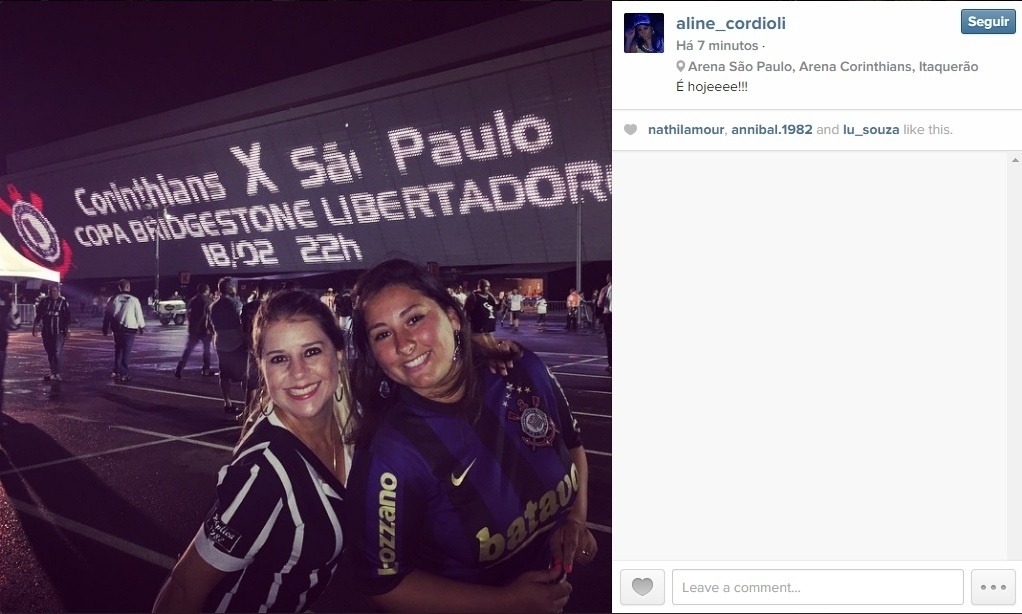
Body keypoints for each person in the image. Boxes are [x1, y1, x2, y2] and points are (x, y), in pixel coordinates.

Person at [344, 258, 596, 613]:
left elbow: (572, 444)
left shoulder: (521, 369)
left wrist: (575, 520)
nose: (403, 344)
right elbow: (383, 584)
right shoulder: (390, 456)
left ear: (451, 316)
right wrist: (506, 601)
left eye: (414, 319)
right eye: (383, 334)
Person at [153, 289, 353, 613]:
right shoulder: (265, 473)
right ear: (261, 367)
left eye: (312, 351)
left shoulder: (352, 432)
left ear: (338, 354)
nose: (298, 372)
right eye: (278, 358)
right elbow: (183, 588)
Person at [207, 277, 246, 414]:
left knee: (224, 373)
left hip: (220, 341)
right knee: (245, 374)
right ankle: (248, 404)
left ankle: (227, 402)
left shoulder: (213, 306)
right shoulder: (236, 303)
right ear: (231, 288)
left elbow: (209, 326)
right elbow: (241, 321)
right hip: (236, 341)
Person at [103, 279, 146, 383]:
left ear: (119, 287)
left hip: (116, 329)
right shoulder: (134, 299)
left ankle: (116, 371)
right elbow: (138, 314)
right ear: (128, 287)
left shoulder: (113, 299)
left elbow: (107, 315)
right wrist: (141, 326)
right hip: (130, 329)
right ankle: (124, 373)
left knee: (118, 350)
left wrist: (105, 327)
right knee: (126, 352)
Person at [241, 279, 274, 409]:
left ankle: (248, 411)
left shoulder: (247, 307)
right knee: (268, 380)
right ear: (269, 292)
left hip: (252, 347)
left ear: (257, 290)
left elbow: (243, 328)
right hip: (268, 347)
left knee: (252, 381)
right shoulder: (270, 308)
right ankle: (265, 409)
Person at [175, 283, 217, 379]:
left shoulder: (193, 300)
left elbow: (188, 314)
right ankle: (206, 369)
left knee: (188, 349)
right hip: (204, 329)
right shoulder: (208, 301)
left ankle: (180, 367)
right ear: (206, 290)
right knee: (206, 350)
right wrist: (212, 329)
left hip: (193, 329)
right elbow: (210, 316)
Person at [32, 283, 71, 381]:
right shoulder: (44, 302)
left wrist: (68, 330)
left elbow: (67, 317)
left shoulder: (63, 302)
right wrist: (35, 326)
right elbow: (39, 314)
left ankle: (57, 372)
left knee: (57, 352)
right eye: (51, 291)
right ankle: (53, 371)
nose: (53, 293)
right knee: (50, 352)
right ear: (49, 291)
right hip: (46, 331)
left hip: (59, 331)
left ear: (58, 291)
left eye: (55, 291)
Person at [597, 274, 612, 372]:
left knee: (610, 341)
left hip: (609, 315)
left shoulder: (606, 289)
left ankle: (611, 364)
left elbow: (600, 303)